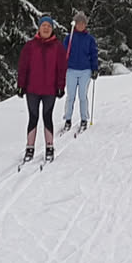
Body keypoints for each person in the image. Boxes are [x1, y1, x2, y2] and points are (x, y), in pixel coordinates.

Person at [17, 17, 69, 164]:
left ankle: (49, 147)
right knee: (33, 117)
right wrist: (21, 85)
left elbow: (61, 69)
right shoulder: (30, 46)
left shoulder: (58, 47)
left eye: (48, 26)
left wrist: (60, 86)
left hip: (49, 90)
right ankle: (30, 147)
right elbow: (23, 67)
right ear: (39, 28)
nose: (46, 28)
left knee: (47, 117)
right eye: (43, 26)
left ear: (52, 29)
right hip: (32, 89)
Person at [64, 13, 100, 133]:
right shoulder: (69, 38)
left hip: (85, 70)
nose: (81, 25)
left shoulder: (90, 39)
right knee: (70, 96)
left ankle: (84, 119)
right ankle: (67, 119)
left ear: (85, 25)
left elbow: (94, 54)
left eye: (83, 23)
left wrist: (94, 69)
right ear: (75, 24)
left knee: (82, 96)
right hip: (71, 70)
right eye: (78, 23)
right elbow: (63, 53)